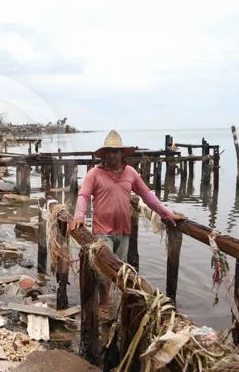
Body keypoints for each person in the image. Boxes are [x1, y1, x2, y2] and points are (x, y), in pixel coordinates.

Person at [69, 130, 188, 318]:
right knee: (104, 267)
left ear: (122, 154)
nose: (112, 155)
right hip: (102, 229)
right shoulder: (94, 174)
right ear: (104, 154)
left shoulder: (130, 173)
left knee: (119, 268)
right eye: (108, 151)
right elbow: (83, 195)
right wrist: (79, 216)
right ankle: (104, 304)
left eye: (115, 151)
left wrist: (168, 214)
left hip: (123, 230)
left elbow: (147, 195)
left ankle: (120, 304)